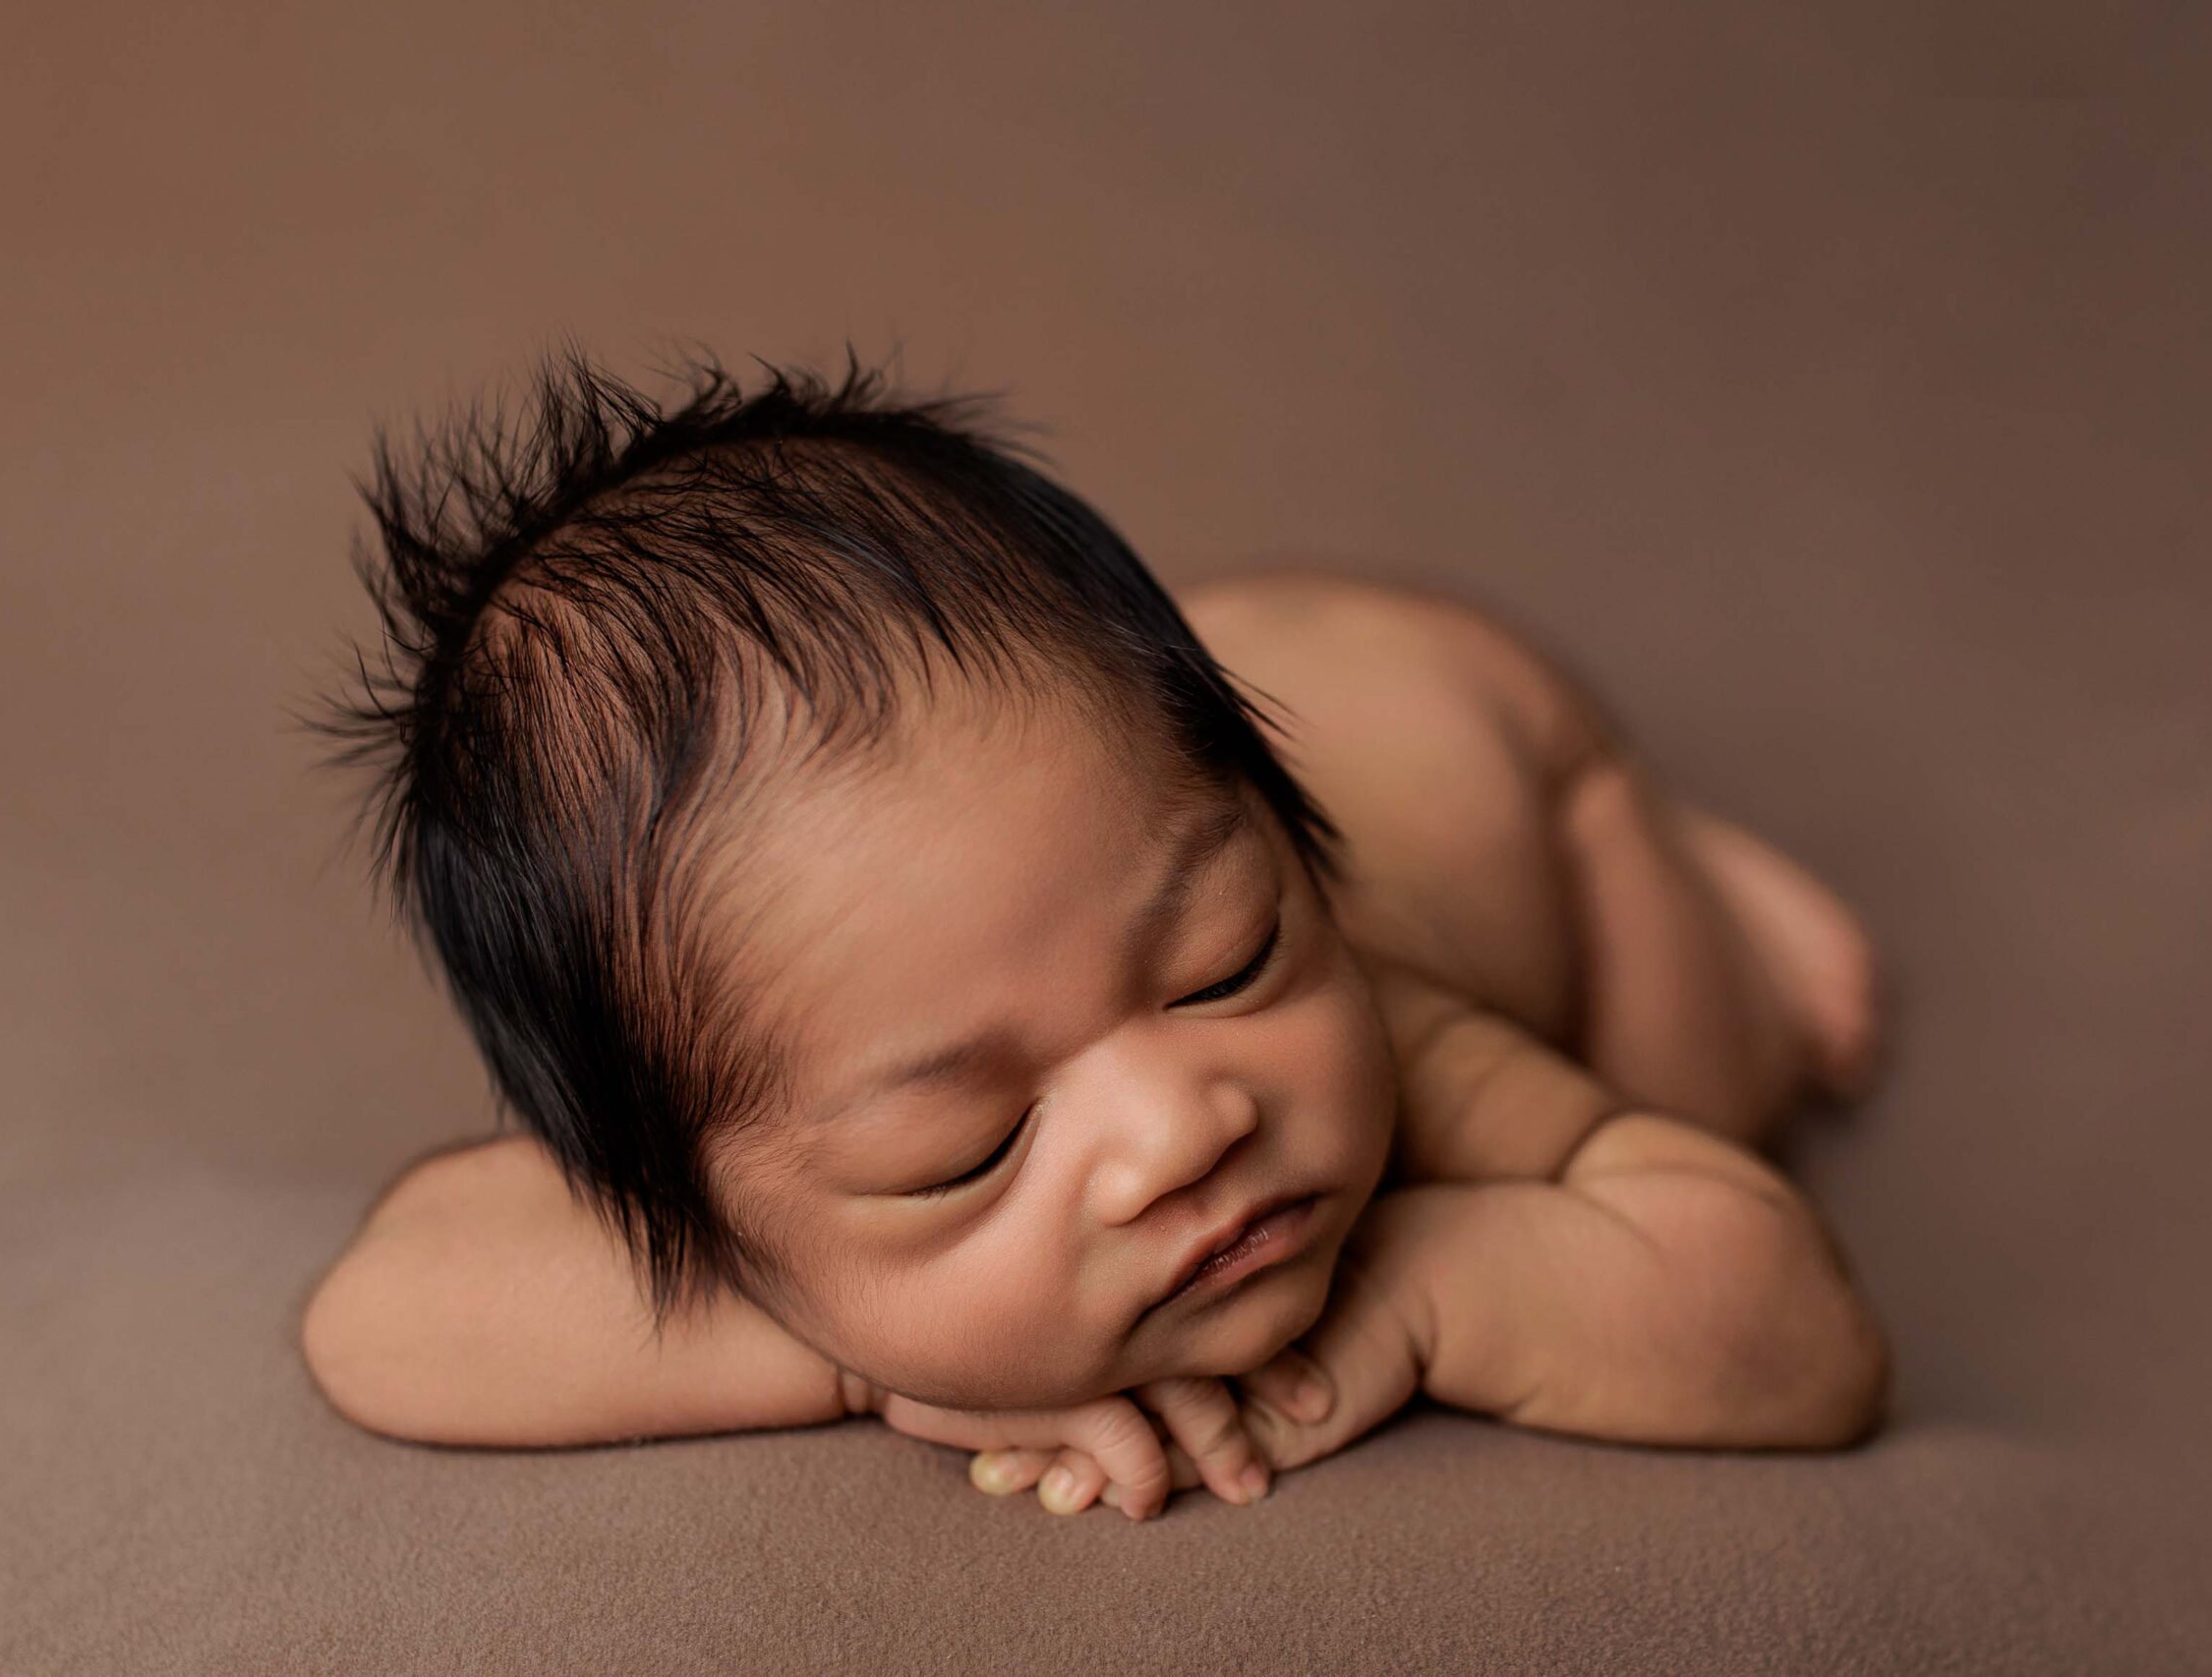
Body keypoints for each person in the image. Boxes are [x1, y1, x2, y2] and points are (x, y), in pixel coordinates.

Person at [296, 348, 1890, 1522]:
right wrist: (855, 1350)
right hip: (1147, 760)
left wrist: (1429, 1285)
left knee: (1714, 1083)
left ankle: (1703, 869)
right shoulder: (785, 1145)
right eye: (967, 1146)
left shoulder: (1401, 1034)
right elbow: (381, 1310)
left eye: (1227, 963)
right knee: (1076, 830)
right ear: (710, 1214)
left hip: (1494, 744)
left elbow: (1798, 1331)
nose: (1184, 1126)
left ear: (1291, 873)